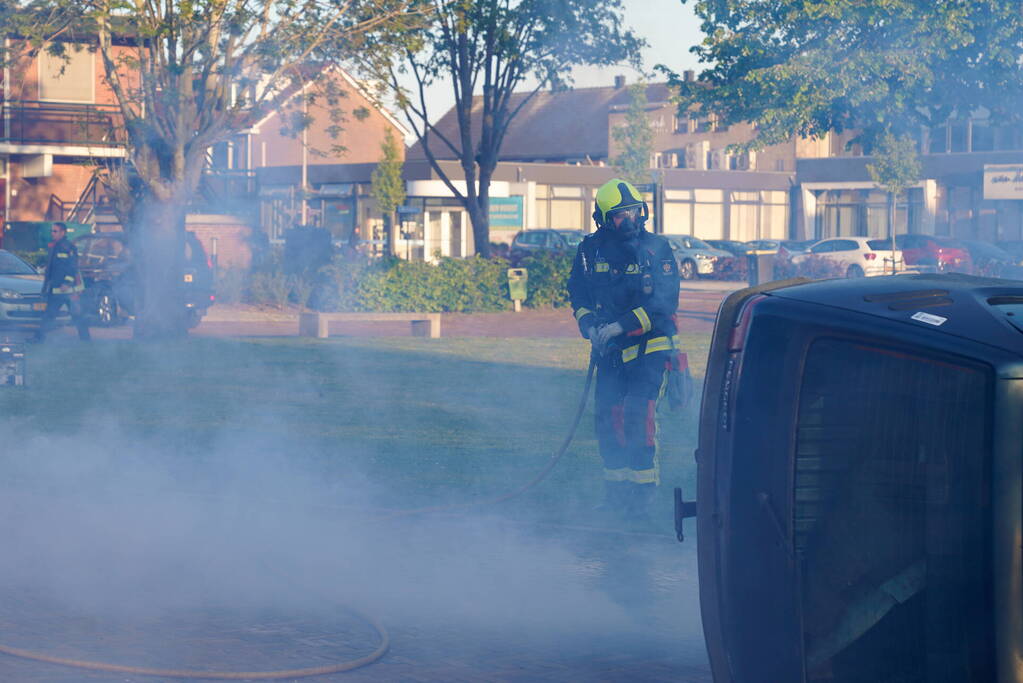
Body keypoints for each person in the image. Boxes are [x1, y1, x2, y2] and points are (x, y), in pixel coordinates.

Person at [567, 178, 680, 520]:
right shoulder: (589, 250)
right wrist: (589, 326)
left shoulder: (656, 248)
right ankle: (616, 494)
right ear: (602, 217)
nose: (629, 219)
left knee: (637, 416)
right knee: (606, 421)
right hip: (611, 351)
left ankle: (644, 494)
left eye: (633, 211)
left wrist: (620, 325)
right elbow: (578, 292)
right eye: (619, 214)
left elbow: (665, 301)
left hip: (650, 345)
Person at [33, 222, 90, 342]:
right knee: (48, 315)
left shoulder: (67, 247)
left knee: (77, 315)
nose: (52, 233)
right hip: (56, 289)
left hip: (68, 291)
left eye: (55, 231)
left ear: (63, 232)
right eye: (52, 231)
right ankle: (38, 338)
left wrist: (67, 283)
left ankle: (86, 340)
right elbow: (55, 268)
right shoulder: (55, 246)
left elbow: (72, 267)